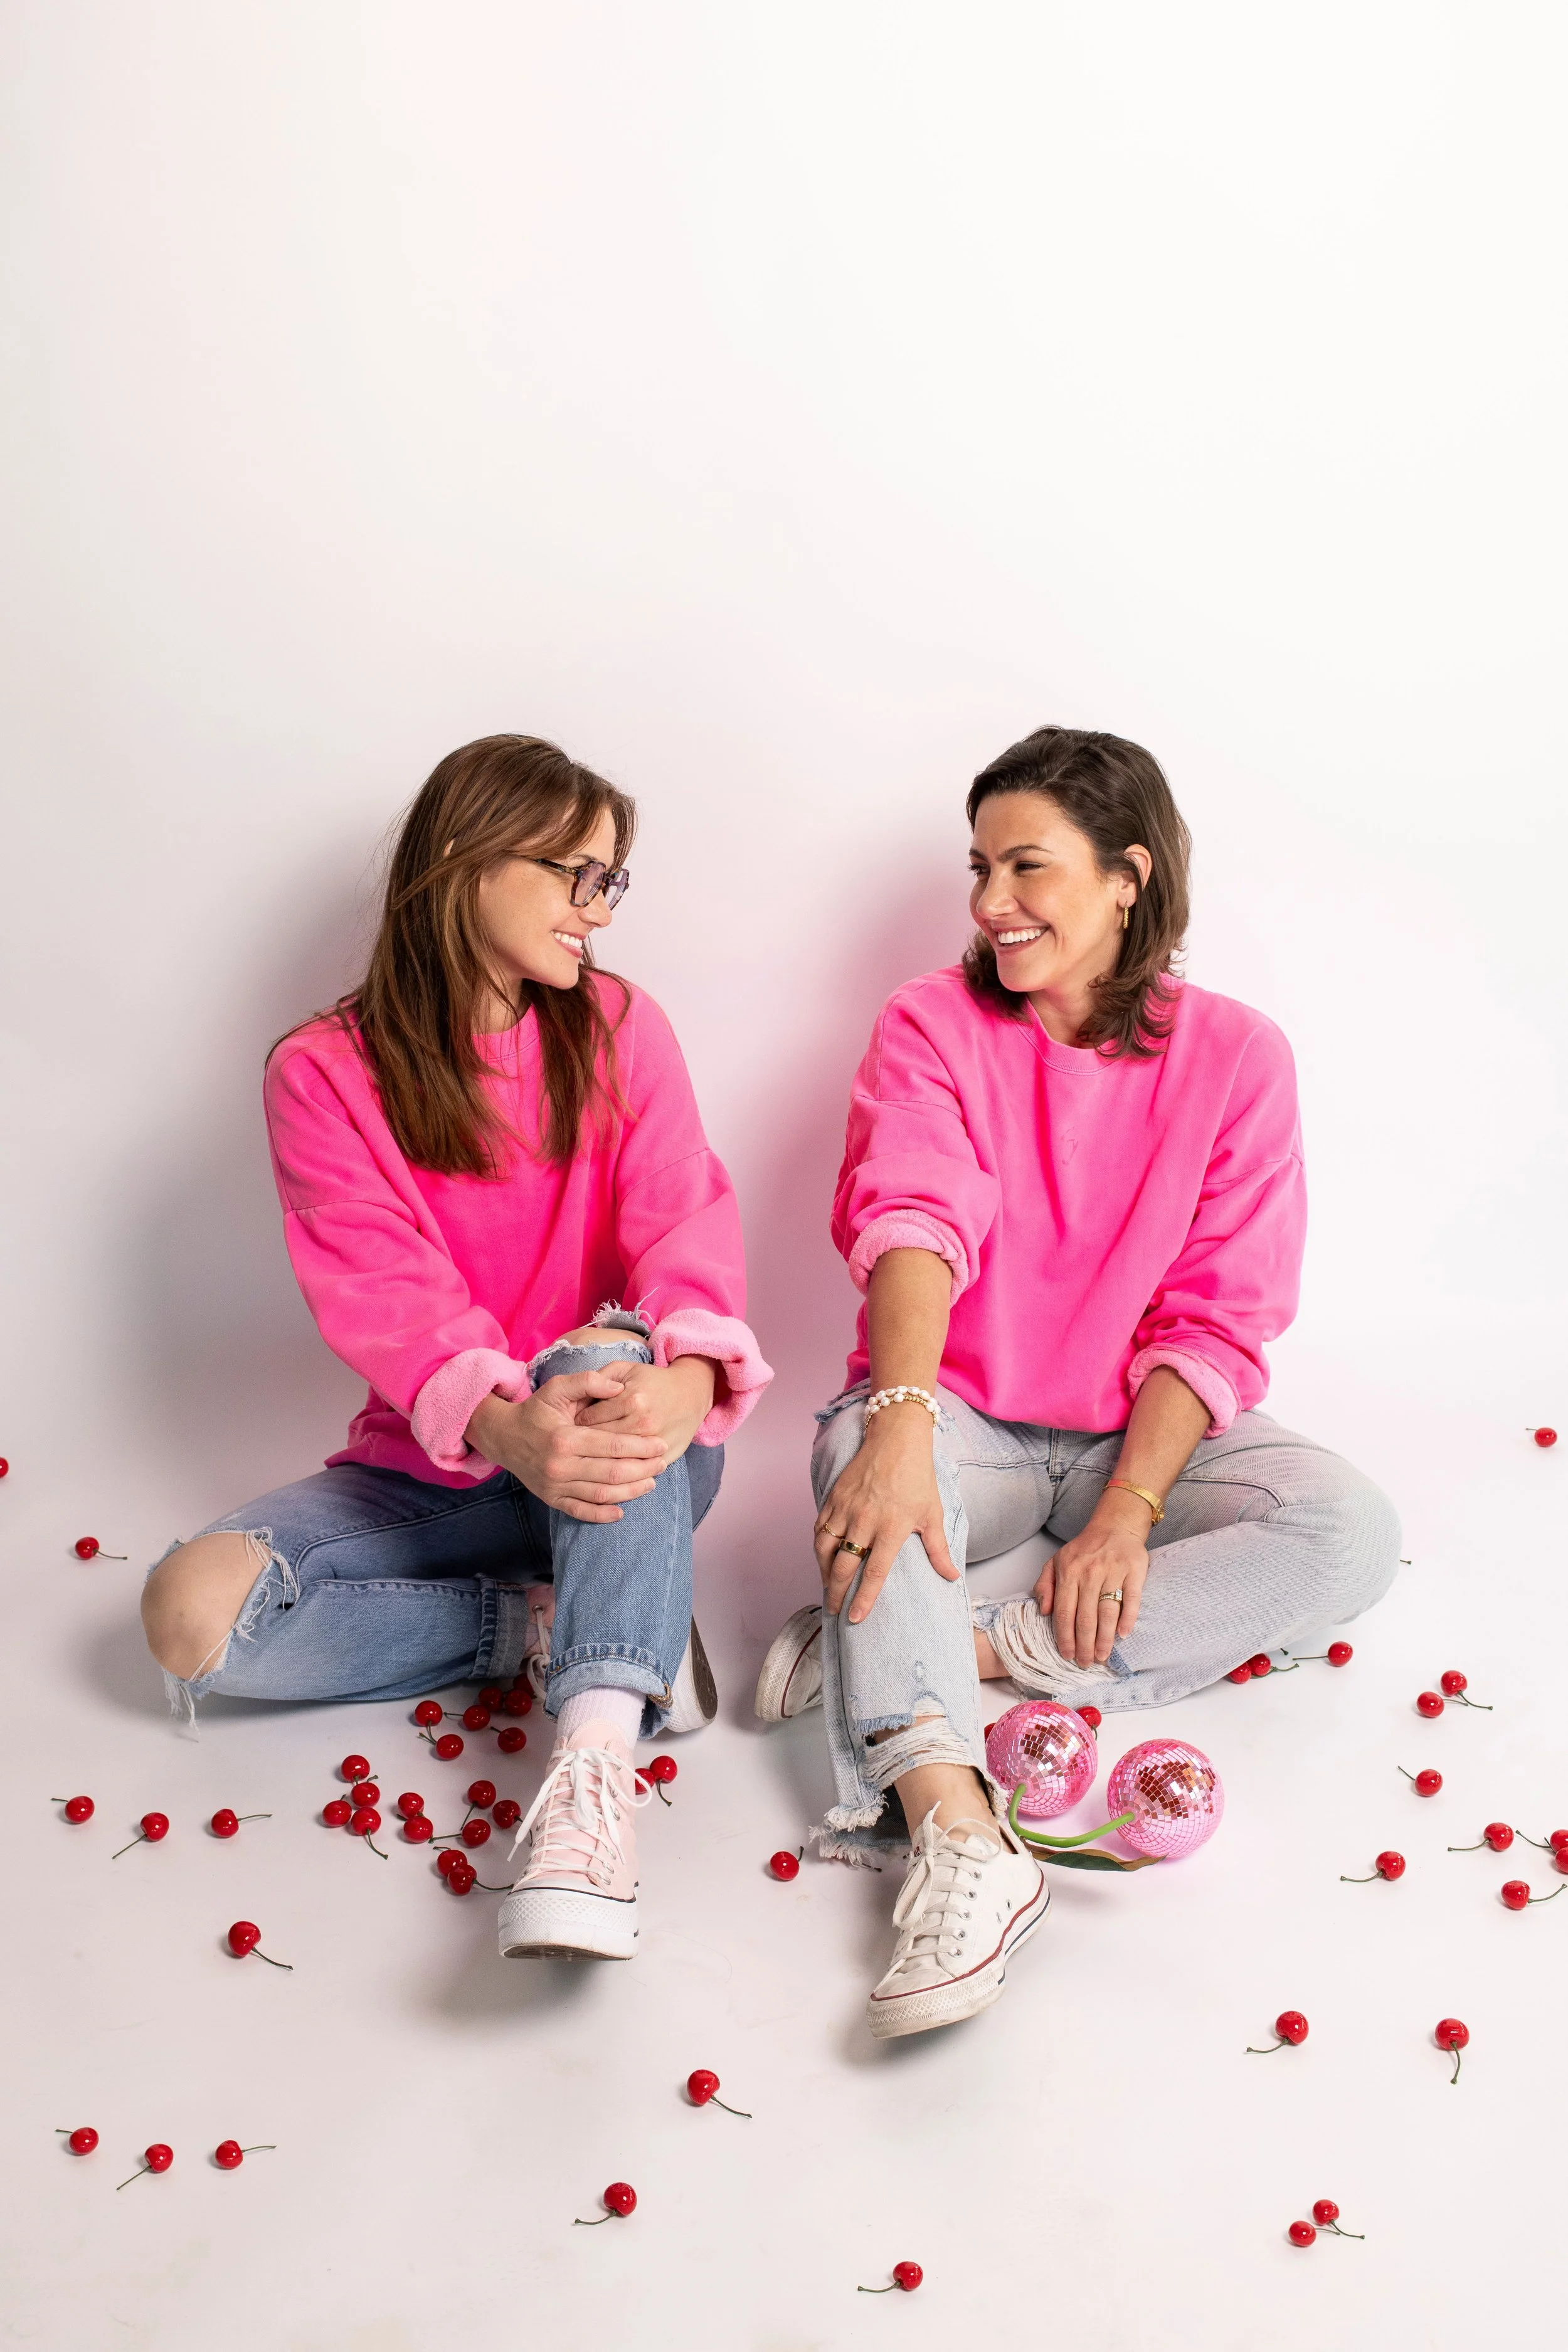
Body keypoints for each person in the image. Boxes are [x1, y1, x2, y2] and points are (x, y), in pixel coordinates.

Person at [755, 724, 1398, 2040]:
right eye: (978, 869)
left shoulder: (1235, 1056)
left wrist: (1127, 1515)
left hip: (1133, 1440)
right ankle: (956, 1834)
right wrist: (895, 1419)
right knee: (857, 1471)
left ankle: (963, 1647)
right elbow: (914, 1222)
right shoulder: (931, 1024)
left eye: (1025, 868)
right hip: (965, 1422)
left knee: (1346, 1528)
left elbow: (1215, 1311)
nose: (990, 904)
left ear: (1127, 878)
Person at [142, 734, 770, 1963]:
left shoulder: (621, 1029)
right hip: (441, 1470)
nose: (597, 910)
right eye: (574, 875)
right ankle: (541, 1625)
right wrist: (505, 1426)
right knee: (189, 1618)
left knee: (595, 1356)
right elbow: (390, 1295)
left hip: (625, 1446)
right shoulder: (321, 1074)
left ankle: (592, 1770)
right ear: (465, 859)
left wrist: (680, 1375)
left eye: (610, 883)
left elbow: (687, 1232)